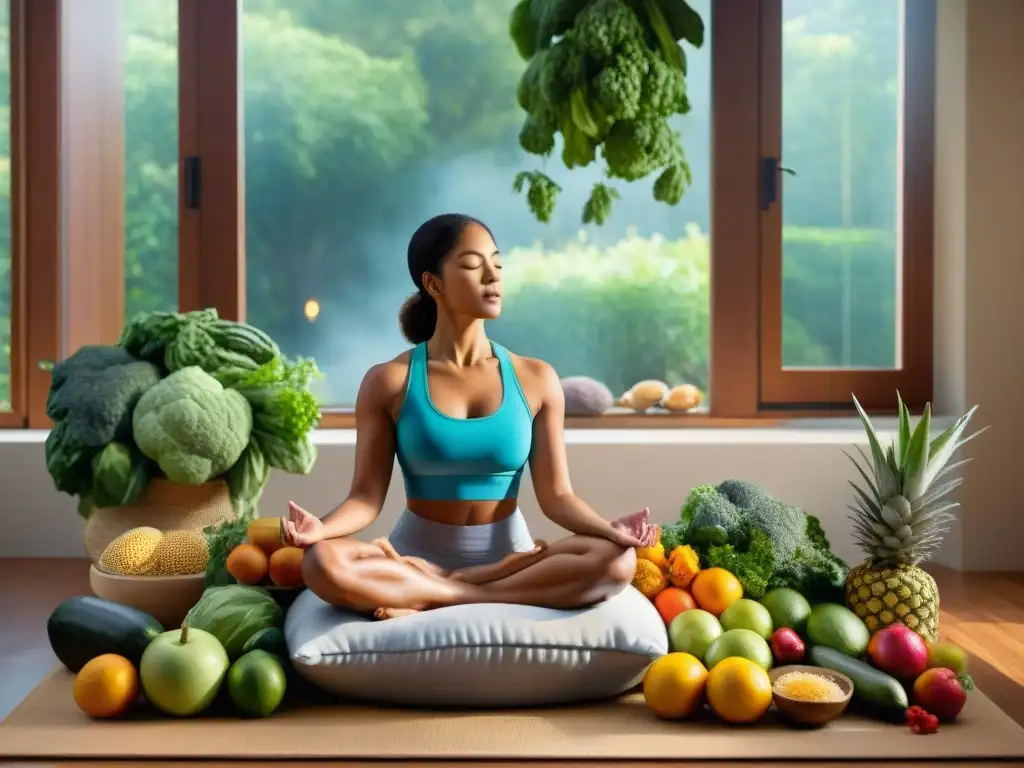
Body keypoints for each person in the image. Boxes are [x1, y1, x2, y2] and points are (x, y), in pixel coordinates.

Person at [283, 213, 659, 620]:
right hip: (413, 556)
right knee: (321, 563)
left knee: (616, 561)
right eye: (472, 265)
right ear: (433, 283)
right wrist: (320, 529)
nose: (492, 277)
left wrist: (609, 530)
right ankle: (469, 588)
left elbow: (558, 497)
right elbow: (366, 498)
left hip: (511, 557)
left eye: (496, 264)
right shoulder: (388, 382)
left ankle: (439, 594)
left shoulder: (536, 378)